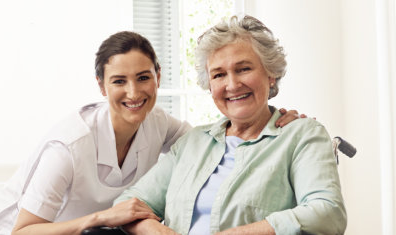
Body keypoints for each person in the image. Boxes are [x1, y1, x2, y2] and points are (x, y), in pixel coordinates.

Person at [0, 31, 302, 235]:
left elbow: (215, 141)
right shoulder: (69, 146)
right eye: (119, 81)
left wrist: (276, 118)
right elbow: (24, 229)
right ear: (101, 86)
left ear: (158, 77)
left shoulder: (159, 124)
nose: (134, 93)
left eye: (143, 77)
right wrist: (101, 217)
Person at [114, 15, 347, 235]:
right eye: (218, 75)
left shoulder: (301, 135)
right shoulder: (193, 142)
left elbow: (328, 213)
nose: (232, 85)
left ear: (271, 74)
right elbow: (127, 205)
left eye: (244, 69)